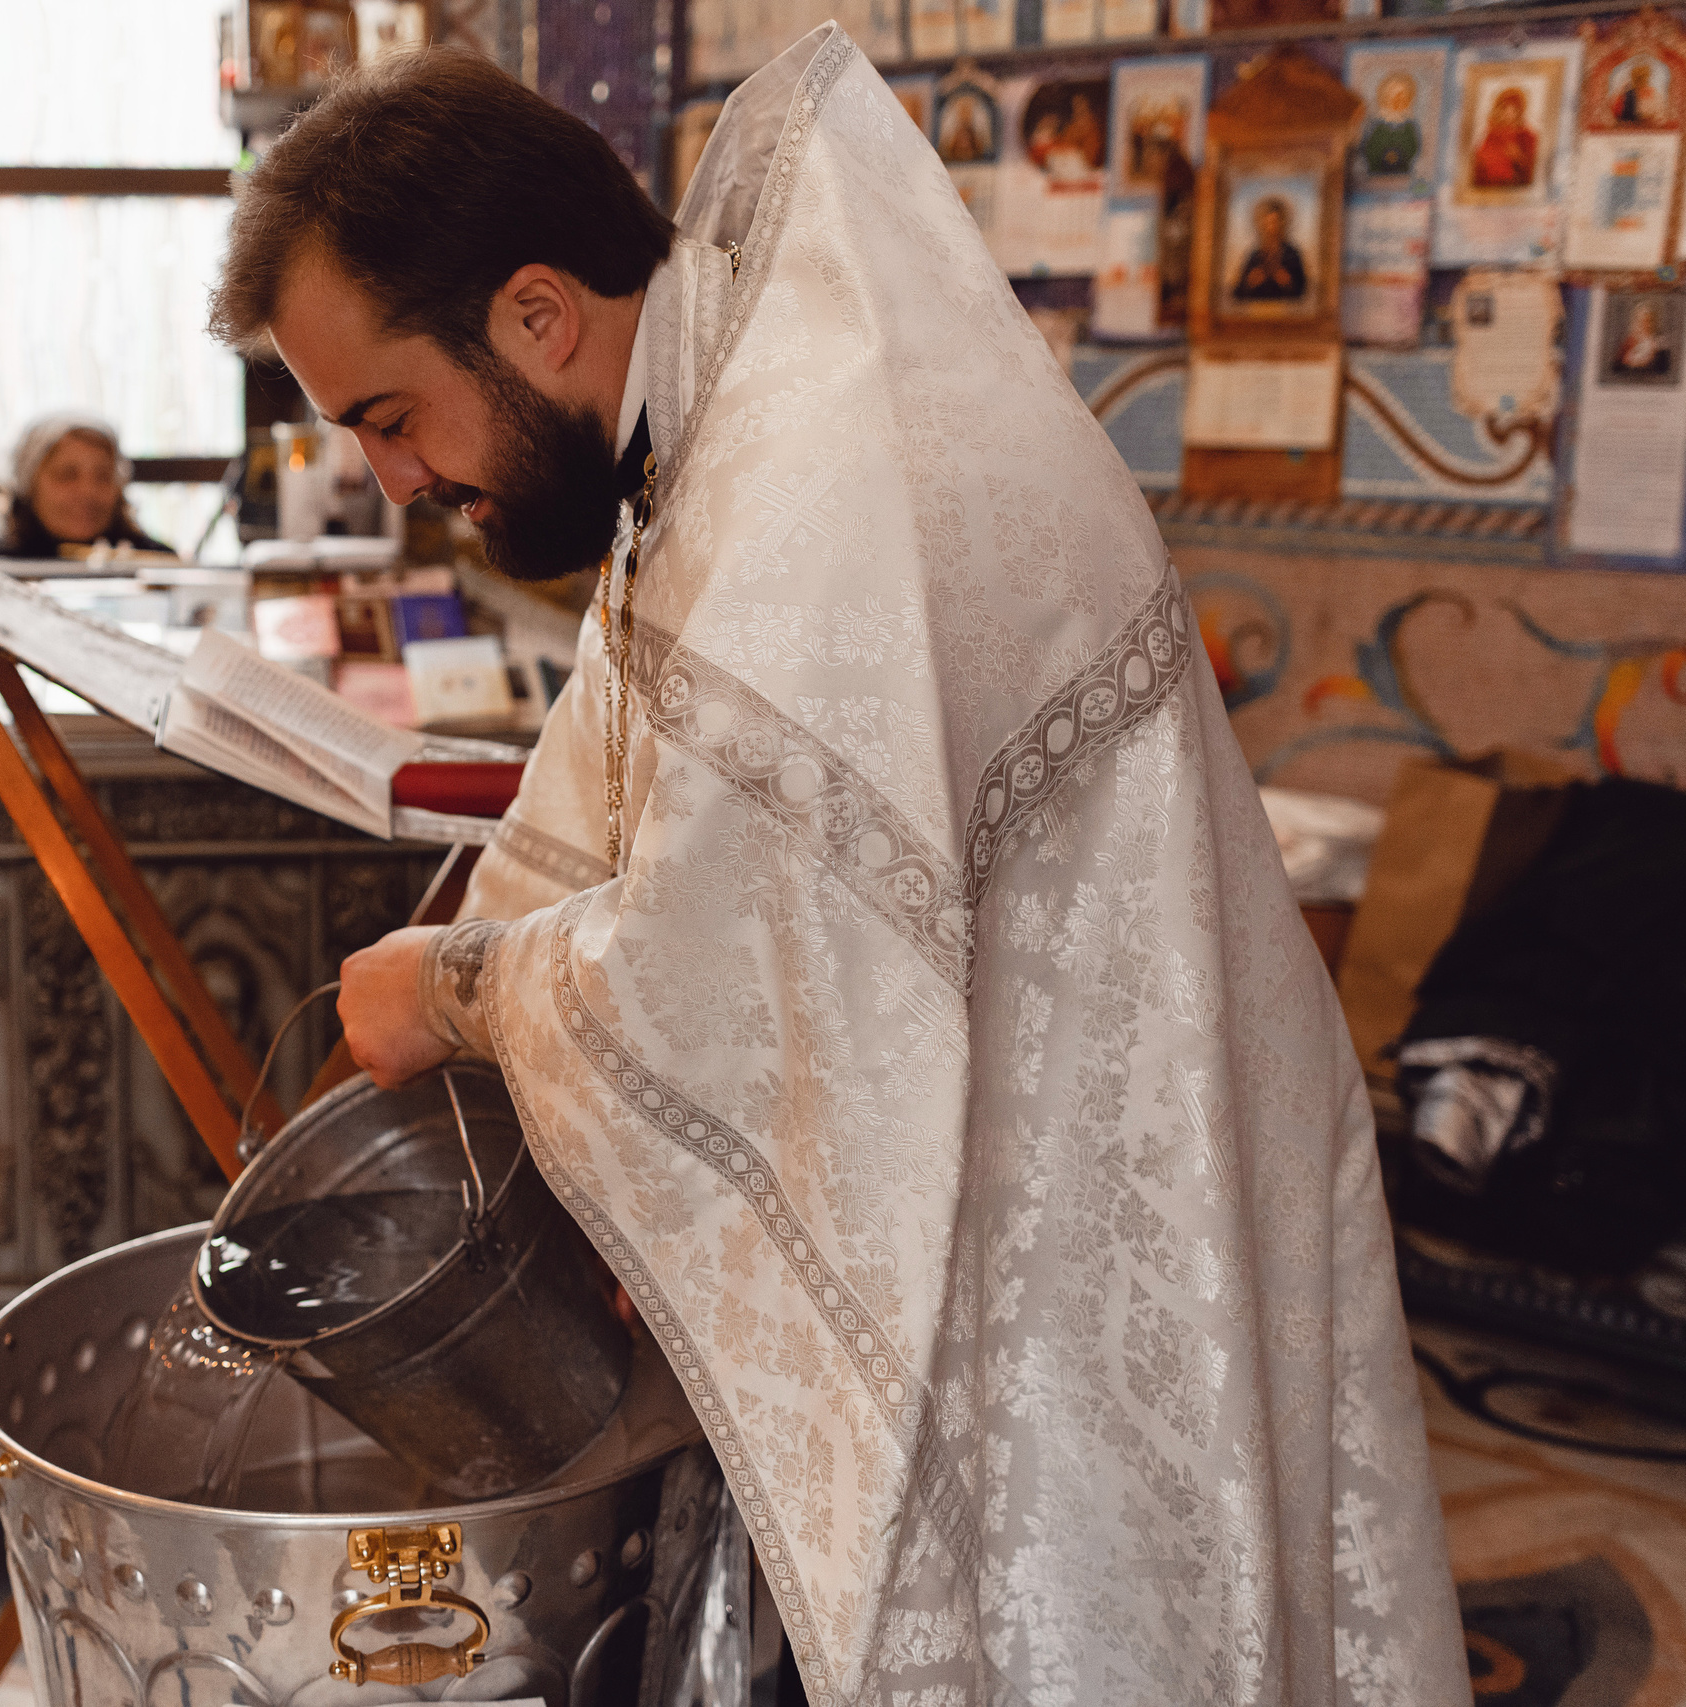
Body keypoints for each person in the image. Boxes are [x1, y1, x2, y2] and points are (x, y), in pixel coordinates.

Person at [204, 34, 1467, 1705]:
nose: (402, 480)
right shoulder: (724, 415)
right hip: (982, 1147)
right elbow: (608, 777)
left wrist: (451, 990)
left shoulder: (818, 477)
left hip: (1081, 1207)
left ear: (534, 316)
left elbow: (725, 969)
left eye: (389, 416)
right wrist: (489, 944)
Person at [0, 415, 173, 558]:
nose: (88, 491)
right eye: (67, 475)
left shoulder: (160, 566)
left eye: (103, 476)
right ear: (29, 485)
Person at [1230, 195, 1309, 303]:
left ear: (1282, 224)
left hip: (1287, 315)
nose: (1271, 228)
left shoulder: (1292, 254)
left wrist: (1288, 282)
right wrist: (1249, 283)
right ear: (1262, 225)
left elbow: (1304, 292)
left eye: (1275, 222)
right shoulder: (1255, 255)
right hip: (1256, 315)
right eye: (1267, 223)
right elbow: (1237, 294)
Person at [1471, 85, 1539, 189]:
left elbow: (1535, 171)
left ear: (1519, 110)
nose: (1508, 112)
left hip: (1511, 187)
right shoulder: (1493, 133)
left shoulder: (1527, 135)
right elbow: (1480, 159)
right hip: (1488, 187)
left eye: (1513, 109)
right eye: (1505, 108)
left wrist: (1518, 158)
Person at [1362, 71, 1421, 177]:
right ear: (1386, 98)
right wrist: (1383, 155)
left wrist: (1400, 155)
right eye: (1395, 97)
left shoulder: (1409, 126)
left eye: (1404, 97)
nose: (1399, 101)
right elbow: (1368, 147)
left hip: (1402, 173)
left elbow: (1413, 147)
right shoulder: (1376, 124)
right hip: (1376, 174)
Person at [1615, 299, 1673, 377]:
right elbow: (1617, 367)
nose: (1644, 324)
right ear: (1635, 321)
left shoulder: (1660, 343)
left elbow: (1663, 370)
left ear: (1654, 322)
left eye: (1648, 321)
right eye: (1641, 320)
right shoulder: (1629, 341)